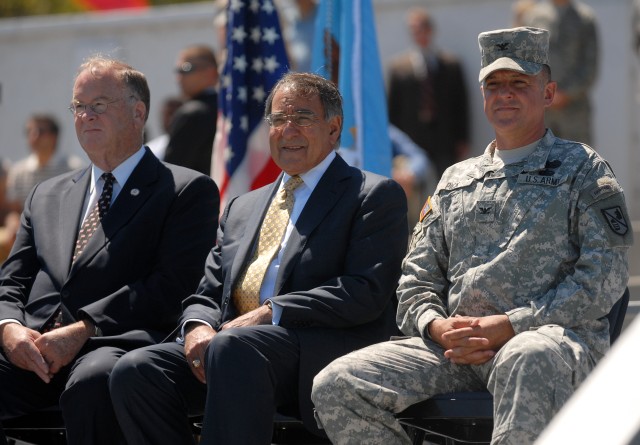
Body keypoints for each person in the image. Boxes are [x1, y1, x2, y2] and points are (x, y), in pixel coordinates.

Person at [312, 26, 632, 445]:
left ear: (548, 93)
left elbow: (603, 278)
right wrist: (436, 326)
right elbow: (415, 281)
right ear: (483, 97)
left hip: (549, 343)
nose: (505, 94)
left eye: (519, 83)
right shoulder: (454, 181)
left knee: (526, 355)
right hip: (455, 349)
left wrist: (512, 325)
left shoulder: (583, 170)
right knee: (337, 383)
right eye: (494, 85)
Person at [110, 72, 409, 444]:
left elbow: (365, 291)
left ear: (333, 129)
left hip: (317, 351)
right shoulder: (242, 206)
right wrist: (198, 326)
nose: (288, 130)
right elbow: (207, 292)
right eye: (278, 120)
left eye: (302, 118)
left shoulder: (373, 196)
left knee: (232, 348)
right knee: (136, 370)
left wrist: (272, 311)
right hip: (232, 348)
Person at [0, 56, 220, 445]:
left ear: (138, 112)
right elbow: (12, 281)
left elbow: (172, 286)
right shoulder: (46, 193)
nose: (86, 115)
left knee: (95, 383)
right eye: (79, 107)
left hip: (111, 343)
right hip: (30, 347)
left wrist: (84, 328)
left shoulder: (185, 190)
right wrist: (10, 329)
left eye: (99, 105)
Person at [386, 7, 469, 180]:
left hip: (445, 139)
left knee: (447, 182)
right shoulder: (398, 67)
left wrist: (463, 138)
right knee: (415, 194)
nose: (419, 33)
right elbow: (393, 108)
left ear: (430, 30)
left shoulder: (451, 64)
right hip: (411, 140)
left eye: (422, 28)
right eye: (414, 30)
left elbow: (461, 104)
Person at [522, 0, 598, 145]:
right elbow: (525, 61)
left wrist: (565, 94)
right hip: (541, 111)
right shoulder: (533, 16)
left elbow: (590, 66)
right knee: (541, 162)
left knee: (578, 164)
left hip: (575, 112)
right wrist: (542, 93)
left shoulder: (585, 18)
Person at [5, 114, 84, 214]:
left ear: (54, 137)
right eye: (29, 132)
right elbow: (15, 212)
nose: (33, 137)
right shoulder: (18, 172)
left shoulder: (74, 169)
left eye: (40, 131)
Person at [163, 45, 218, 175]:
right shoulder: (227, 110)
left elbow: (172, 172)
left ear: (210, 72)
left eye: (186, 69)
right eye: (178, 71)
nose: (179, 77)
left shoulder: (191, 114)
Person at [146, 96, 184, 161]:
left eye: (177, 114)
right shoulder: (151, 148)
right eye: (169, 114)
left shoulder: (197, 147)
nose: (171, 119)